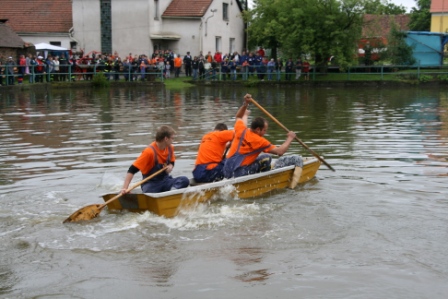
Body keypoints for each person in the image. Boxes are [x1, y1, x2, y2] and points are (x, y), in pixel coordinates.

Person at [223, 94, 297, 179]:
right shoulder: (260, 141)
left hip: (227, 170)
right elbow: (280, 152)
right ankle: (264, 181)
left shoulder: (241, 129)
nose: (265, 132)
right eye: (264, 130)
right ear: (258, 129)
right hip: (240, 173)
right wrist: (290, 138)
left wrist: (245, 103)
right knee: (266, 158)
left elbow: (239, 116)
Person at [121, 125, 189, 194]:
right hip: (151, 184)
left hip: (166, 180)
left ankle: (171, 193)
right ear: (166, 139)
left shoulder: (170, 148)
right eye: (172, 138)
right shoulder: (149, 152)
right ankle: (170, 192)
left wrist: (171, 166)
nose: (173, 141)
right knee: (149, 193)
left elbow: (172, 161)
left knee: (184, 180)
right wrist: (125, 188)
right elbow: (132, 170)